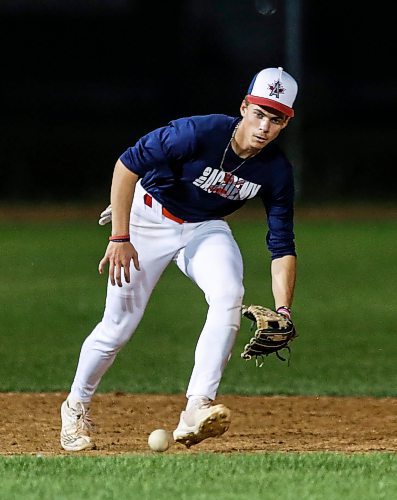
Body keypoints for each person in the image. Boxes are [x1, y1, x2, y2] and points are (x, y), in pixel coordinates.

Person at [60, 66, 298, 451]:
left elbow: (282, 245)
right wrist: (121, 234)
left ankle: (196, 408)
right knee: (118, 325)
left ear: (286, 123)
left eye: (276, 118)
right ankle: (75, 405)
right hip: (149, 218)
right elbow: (127, 165)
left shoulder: (276, 171)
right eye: (259, 112)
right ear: (243, 107)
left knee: (228, 294)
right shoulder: (196, 132)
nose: (264, 126)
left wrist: (283, 310)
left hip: (205, 227)